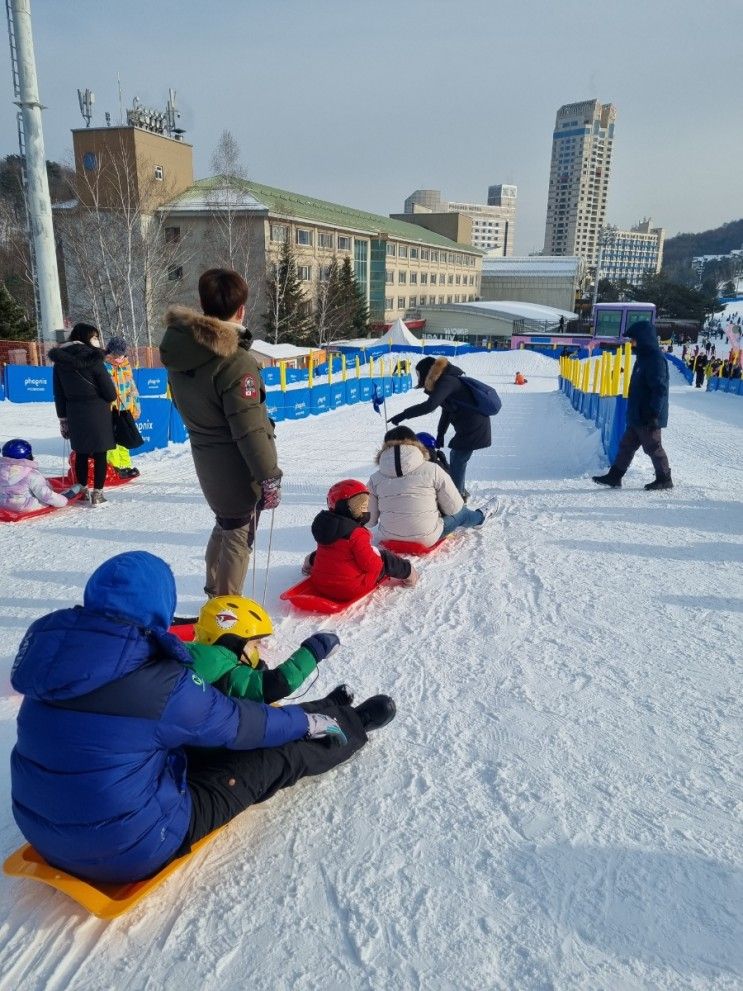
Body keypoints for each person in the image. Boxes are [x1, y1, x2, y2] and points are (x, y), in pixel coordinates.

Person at [10, 551, 396, 885]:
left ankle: (327, 710)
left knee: (181, 738)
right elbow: (247, 725)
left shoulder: (52, 667)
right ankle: (352, 724)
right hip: (132, 848)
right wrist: (305, 724)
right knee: (274, 755)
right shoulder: (160, 683)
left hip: (42, 831)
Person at [160, 269, 282, 598]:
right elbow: (250, 428)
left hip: (206, 458)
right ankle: (225, 613)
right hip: (235, 465)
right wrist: (269, 475)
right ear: (241, 309)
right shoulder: (234, 361)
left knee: (226, 524)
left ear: (203, 304)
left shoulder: (182, 350)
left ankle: (214, 593)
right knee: (238, 535)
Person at [186, 595, 334, 704]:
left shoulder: (198, 653)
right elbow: (277, 684)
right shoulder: (217, 667)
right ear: (233, 641)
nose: (257, 650)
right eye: (255, 644)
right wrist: (315, 650)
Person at [368, 427, 494, 549]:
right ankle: (480, 518)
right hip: (426, 538)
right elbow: (454, 508)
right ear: (414, 443)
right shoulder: (433, 469)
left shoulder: (374, 478)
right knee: (463, 513)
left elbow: (369, 521)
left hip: (388, 537)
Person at [388, 357, 492, 499]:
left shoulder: (447, 381)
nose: (419, 378)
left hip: (474, 426)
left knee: (458, 458)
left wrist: (403, 415)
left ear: (427, 372)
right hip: (469, 425)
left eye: (419, 374)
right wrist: (440, 433)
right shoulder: (445, 381)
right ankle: (459, 490)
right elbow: (447, 410)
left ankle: (457, 495)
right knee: (457, 456)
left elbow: (429, 406)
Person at [304, 479, 418, 601]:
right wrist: (379, 560)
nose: (364, 511)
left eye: (365, 506)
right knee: (384, 557)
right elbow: (371, 566)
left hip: (320, 585)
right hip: (349, 590)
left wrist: (310, 563)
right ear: (345, 508)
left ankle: (306, 566)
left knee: (329, 553)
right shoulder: (356, 534)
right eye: (360, 507)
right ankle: (410, 573)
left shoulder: (324, 526)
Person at [593, 320, 673, 491]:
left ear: (643, 339)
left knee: (653, 447)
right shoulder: (643, 358)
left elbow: (660, 389)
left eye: (633, 339)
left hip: (648, 415)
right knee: (626, 445)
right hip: (637, 414)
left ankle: (664, 478)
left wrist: (653, 413)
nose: (631, 342)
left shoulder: (655, 359)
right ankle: (614, 476)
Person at [49, 323, 117, 507]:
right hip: (97, 410)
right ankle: (98, 494)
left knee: (81, 451)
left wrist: (63, 419)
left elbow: (59, 393)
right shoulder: (94, 358)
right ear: (87, 337)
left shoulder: (59, 361)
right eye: (94, 336)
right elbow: (110, 393)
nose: (97, 340)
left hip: (74, 411)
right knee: (100, 451)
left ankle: (83, 490)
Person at [104, 336, 141, 479]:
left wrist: (136, 407)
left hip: (125, 409)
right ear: (110, 352)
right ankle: (115, 467)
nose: (119, 357)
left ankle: (125, 465)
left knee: (124, 440)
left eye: (121, 354)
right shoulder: (104, 367)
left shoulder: (126, 367)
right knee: (112, 441)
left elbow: (133, 389)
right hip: (111, 410)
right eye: (115, 354)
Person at [0, 438, 69, 514]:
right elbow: (44, 495)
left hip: (2, 505)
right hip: (24, 507)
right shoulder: (32, 474)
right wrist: (62, 501)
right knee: (45, 497)